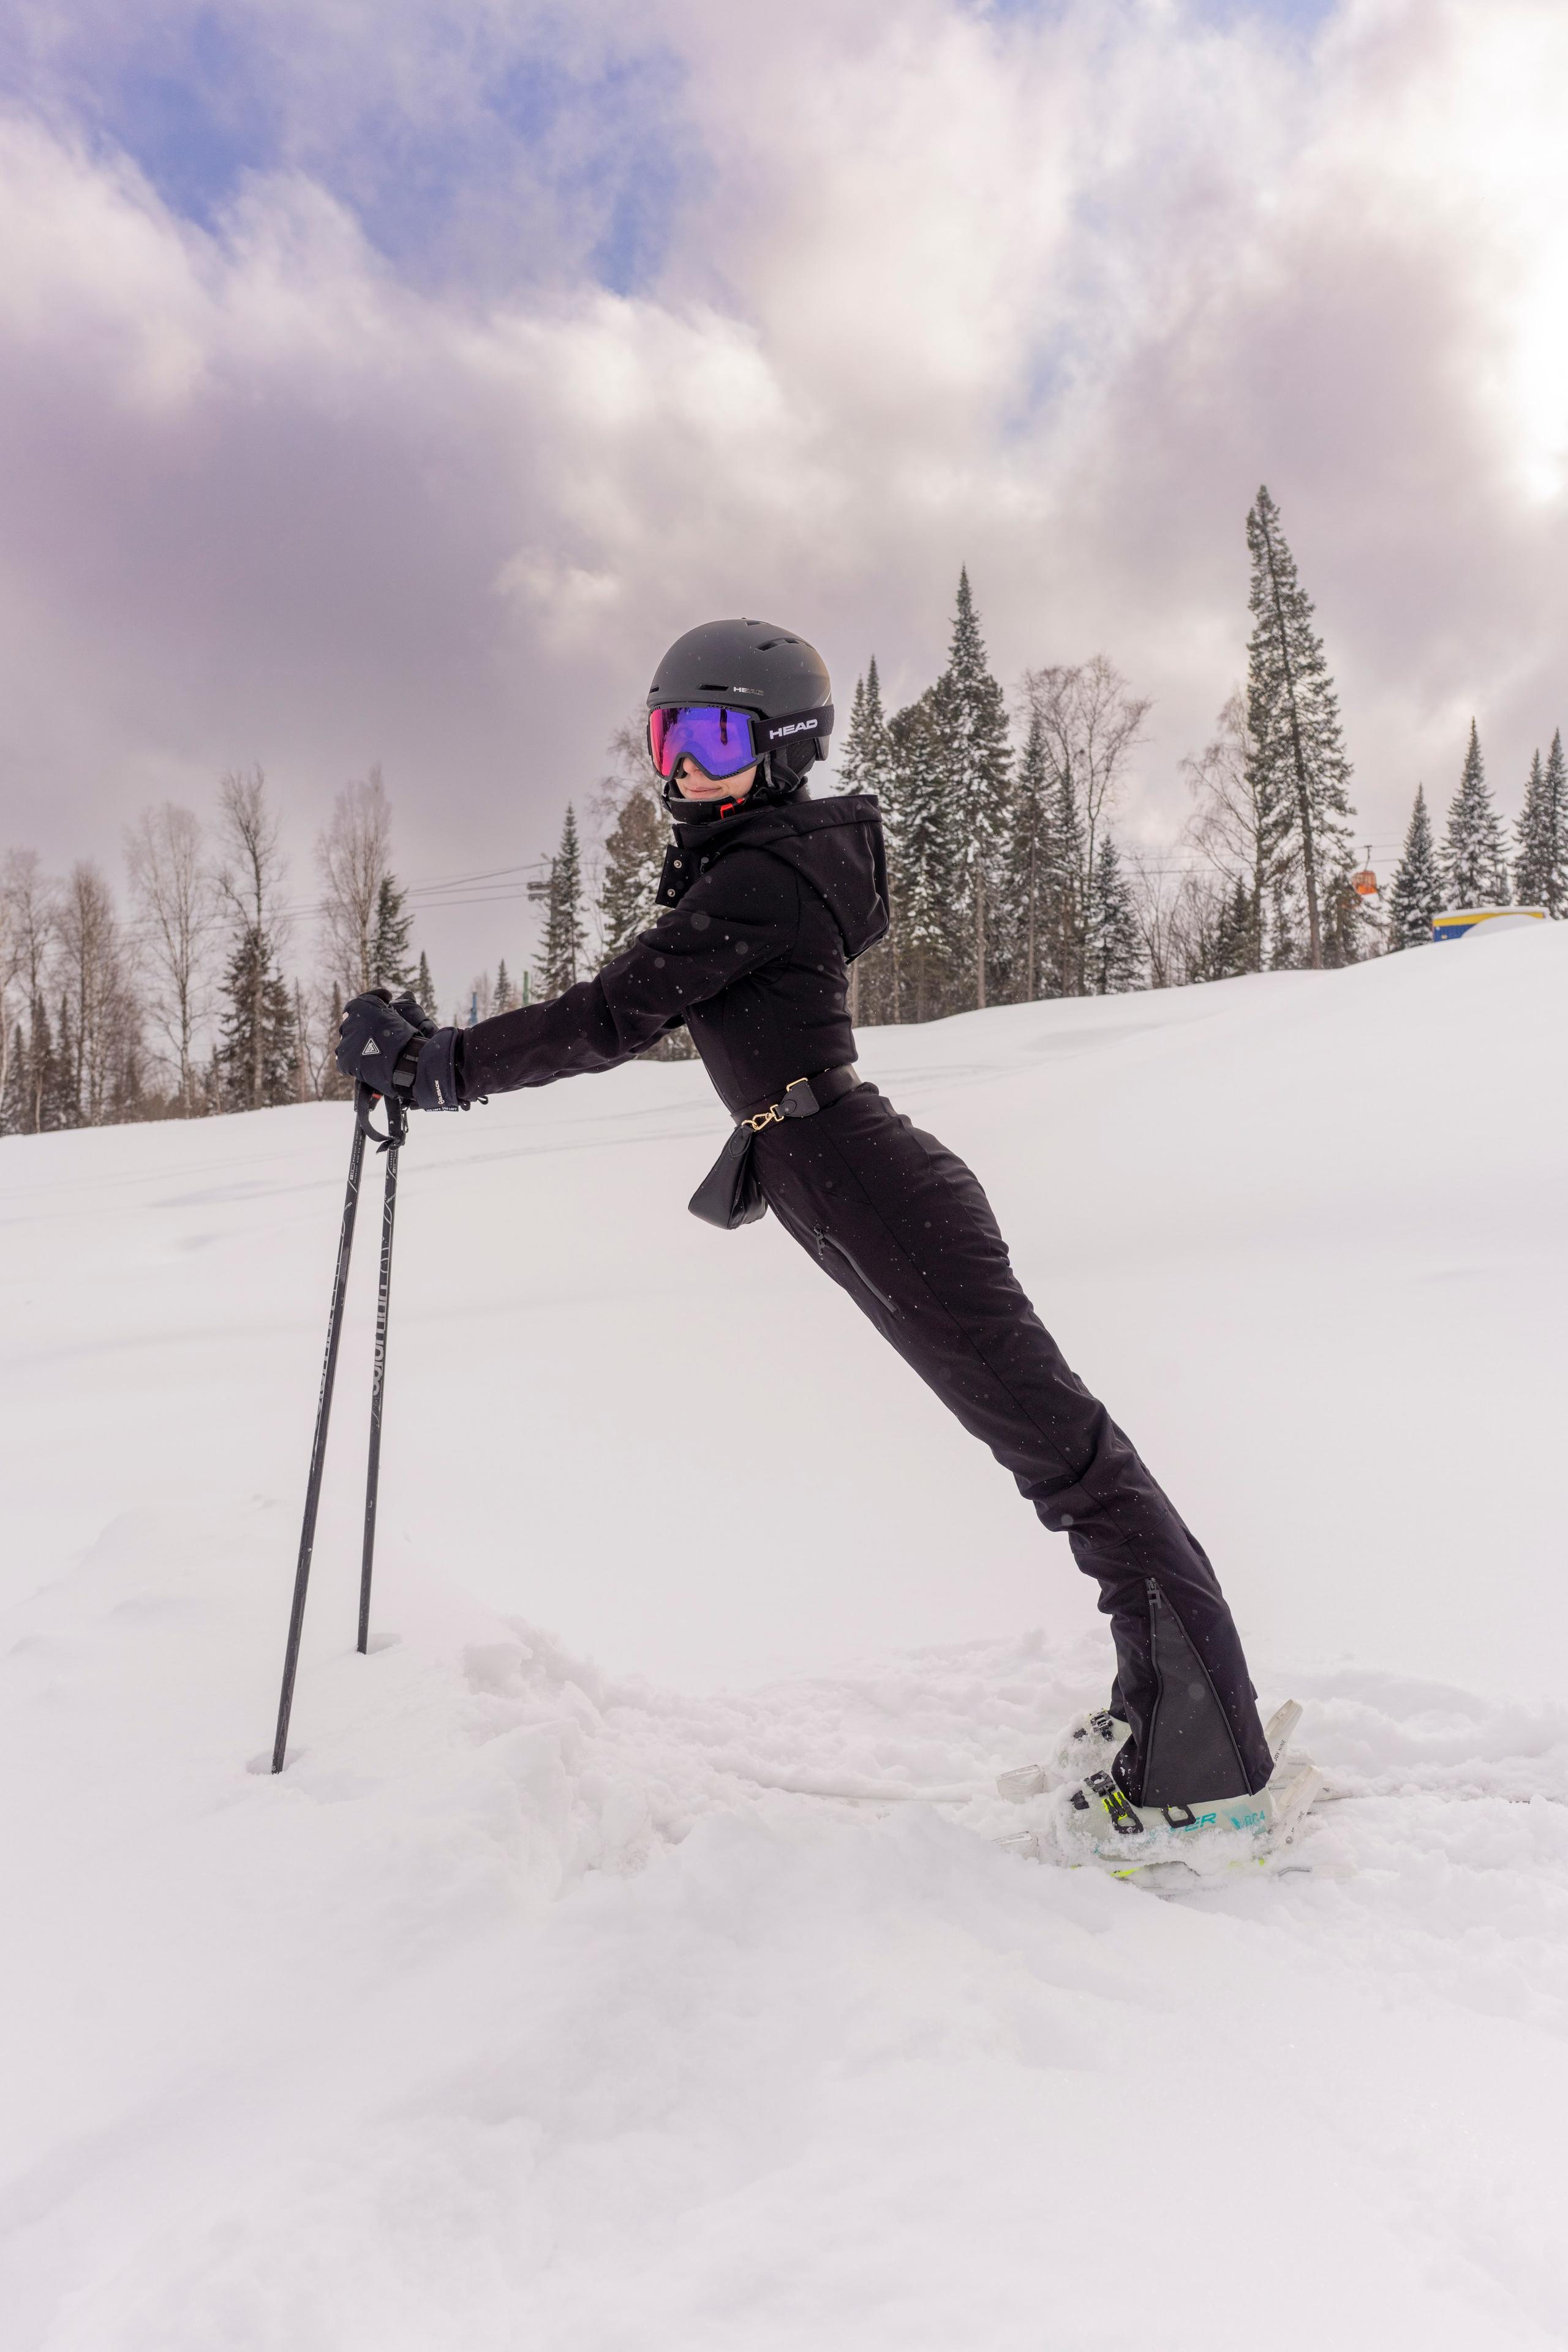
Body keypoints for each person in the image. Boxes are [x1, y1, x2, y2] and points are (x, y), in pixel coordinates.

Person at [337, 617, 1303, 1864]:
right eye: (666, 740)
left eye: (714, 739)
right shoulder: (756, 865)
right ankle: (1165, 1718)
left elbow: (608, 1016)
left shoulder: (760, 880)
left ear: (784, 749)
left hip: (875, 1193)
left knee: (1072, 1467)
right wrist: (437, 1056)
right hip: (855, 1183)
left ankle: (1204, 1778)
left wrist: (438, 1067)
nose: (684, 769)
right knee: (1065, 1463)